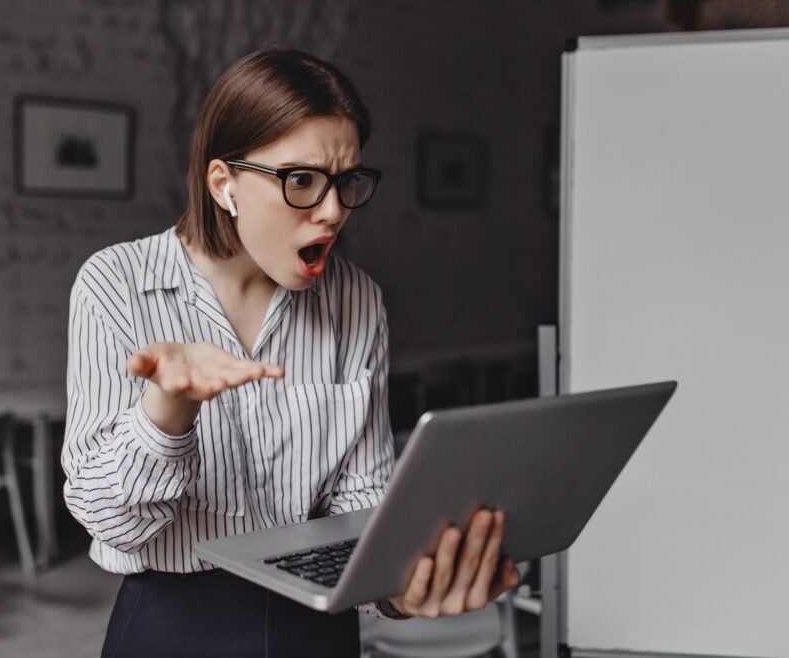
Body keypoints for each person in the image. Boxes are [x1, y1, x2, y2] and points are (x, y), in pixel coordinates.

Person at [62, 48, 521, 658]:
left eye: (346, 181)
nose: (333, 212)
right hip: (173, 625)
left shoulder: (357, 299)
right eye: (301, 180)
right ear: (224, 184)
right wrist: (168, 409)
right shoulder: (116, 285)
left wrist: (399, 592)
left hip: (318, 624)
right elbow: (108, 522)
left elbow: (361, 502)